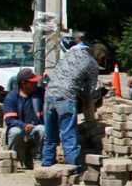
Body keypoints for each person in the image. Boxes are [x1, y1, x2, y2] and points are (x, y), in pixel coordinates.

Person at [41, 33, 99, 173]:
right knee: (69, 136)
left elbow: (62, 76)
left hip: (49, 95)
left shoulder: (67, 55)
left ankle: (46, 166)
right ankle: (75, 169)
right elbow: (89, 93)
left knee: (50, 136)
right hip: (66, 98)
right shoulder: (91, 63)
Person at [3, 67, 44, 169]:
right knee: (15, 132)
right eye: (32, 82)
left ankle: (38, 160)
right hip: (20, 127)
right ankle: (13, 161)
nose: (36, 84)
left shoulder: (40, 94)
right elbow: (9, 120)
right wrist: (24, 126)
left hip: (35, 128)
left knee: (42, 129)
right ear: (24, 83)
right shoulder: (11, 97)